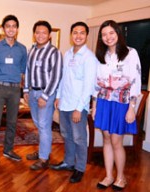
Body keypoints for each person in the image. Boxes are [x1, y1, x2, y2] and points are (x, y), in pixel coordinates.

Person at [92, 20, 141, 191]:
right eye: (104, 34)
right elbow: (96, 84)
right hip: (104, 101)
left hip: (122, 102)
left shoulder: (130, 53)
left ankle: (121, 177)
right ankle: (109, 176)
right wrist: (95, 106)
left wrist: (132, 107)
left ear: (118, 34)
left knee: (116, 141)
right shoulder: (101, 56)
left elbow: (135, 81)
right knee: (106, 139)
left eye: (111, 33)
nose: (108, 37)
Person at [50, 22, 97, 183]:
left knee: (79, 138)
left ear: (86, 35)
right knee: (67, 135)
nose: (78, 36)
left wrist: (79, 108)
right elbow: (63, 78)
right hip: (64, 103)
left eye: (82, 33)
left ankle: (80, 168)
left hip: (78, 106)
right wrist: (58, 96)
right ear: (71, 35)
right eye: (75, 32)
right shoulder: (68, 53)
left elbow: (89, 86)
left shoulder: (89, 58)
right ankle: (68, 162)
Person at [0, 15, 27, 166]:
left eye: (14, 26)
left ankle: (8, 149)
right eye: (8, 26)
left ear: (17, 29)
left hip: (15, 90)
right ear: (3, 28)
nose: (11, 28)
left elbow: (22, 72)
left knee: (12, 122)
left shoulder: (22, 49)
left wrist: (21, 88)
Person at [23, 20, 63, 170]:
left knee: (45, 125)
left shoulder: (54, 52)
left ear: (49, 35)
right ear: (34, 34)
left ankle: (44, 158)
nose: (40, 35)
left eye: (44, 33)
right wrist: (26, 90)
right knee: (38, 124)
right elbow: (27, 71)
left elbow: (56, 76)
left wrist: (44, 97)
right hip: (33, 92)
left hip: (46, 93)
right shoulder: (32, 50)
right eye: (38, 32)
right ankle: (42, 151)